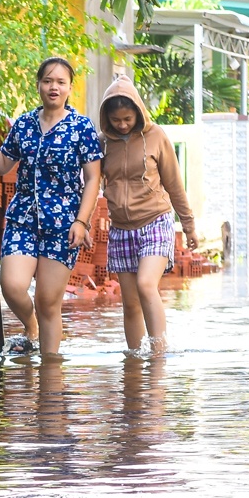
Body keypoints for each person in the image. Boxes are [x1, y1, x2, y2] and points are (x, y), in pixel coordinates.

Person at [0, 56, 104, 358]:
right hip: (23, 218)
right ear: (38, 85)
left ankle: (50, 372)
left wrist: (82, 222)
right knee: (12, 285)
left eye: (60, 82)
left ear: (70, 88)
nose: (53, 87)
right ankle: (31, 327)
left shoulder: (81, 127)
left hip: (64, 224)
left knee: (47, 300)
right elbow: (4, 165)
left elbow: (94, 178)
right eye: (47, 81)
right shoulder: (24, 124)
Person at [95, 74, 195, 357]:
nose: (123, 125)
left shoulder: (156, 136)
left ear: (138, 112)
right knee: (130, 302)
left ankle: (159, 354)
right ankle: (135, 360)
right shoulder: (102, 143)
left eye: (128, 119)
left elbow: (174, 184)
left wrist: (188, 226)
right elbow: (91, 184)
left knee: (145, 284)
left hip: (155, 220)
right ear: (107, 118)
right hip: (121, 228)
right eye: (117, 120)